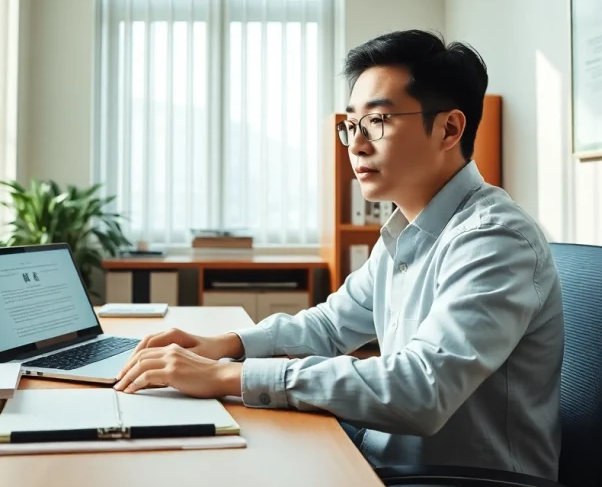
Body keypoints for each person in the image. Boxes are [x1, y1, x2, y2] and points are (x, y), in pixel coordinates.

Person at [113, 29, 564, 480]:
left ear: (449, 128)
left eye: (378, 122)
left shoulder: (493, 239)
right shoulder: (407, 230)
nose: (356, 144)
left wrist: (228, 377)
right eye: (351, 125)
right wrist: (225, 346)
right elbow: (331, 324)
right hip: (384, 460)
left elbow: (420, 391)